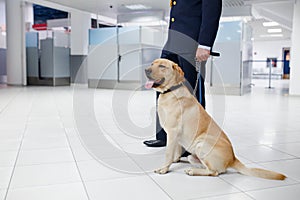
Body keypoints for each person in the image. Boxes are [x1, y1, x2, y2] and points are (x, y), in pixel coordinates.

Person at [144, 0, 222, 148]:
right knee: (161, 88)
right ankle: (164, 137)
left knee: (190, 93)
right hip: (172, 43)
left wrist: (205, 44)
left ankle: (191, 141)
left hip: (191, 43)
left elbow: (212, 10)